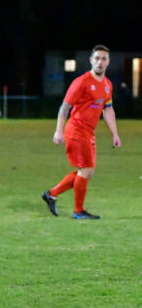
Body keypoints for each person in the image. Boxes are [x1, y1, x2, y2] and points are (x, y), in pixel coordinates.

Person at [42, 45, 121, 220]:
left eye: (104, 59)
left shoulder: (107, 85)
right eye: (97, 58)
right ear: (91, 60)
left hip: (89, 132)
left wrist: (114, 134)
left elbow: (108, 109)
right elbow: (64, 108)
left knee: (86, 172)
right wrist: (58, 131)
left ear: (108, 62)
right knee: (85, 171)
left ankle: (51, 194)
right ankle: (78, 211)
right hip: (76, 129)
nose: (100, 62)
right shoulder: (81, 82)